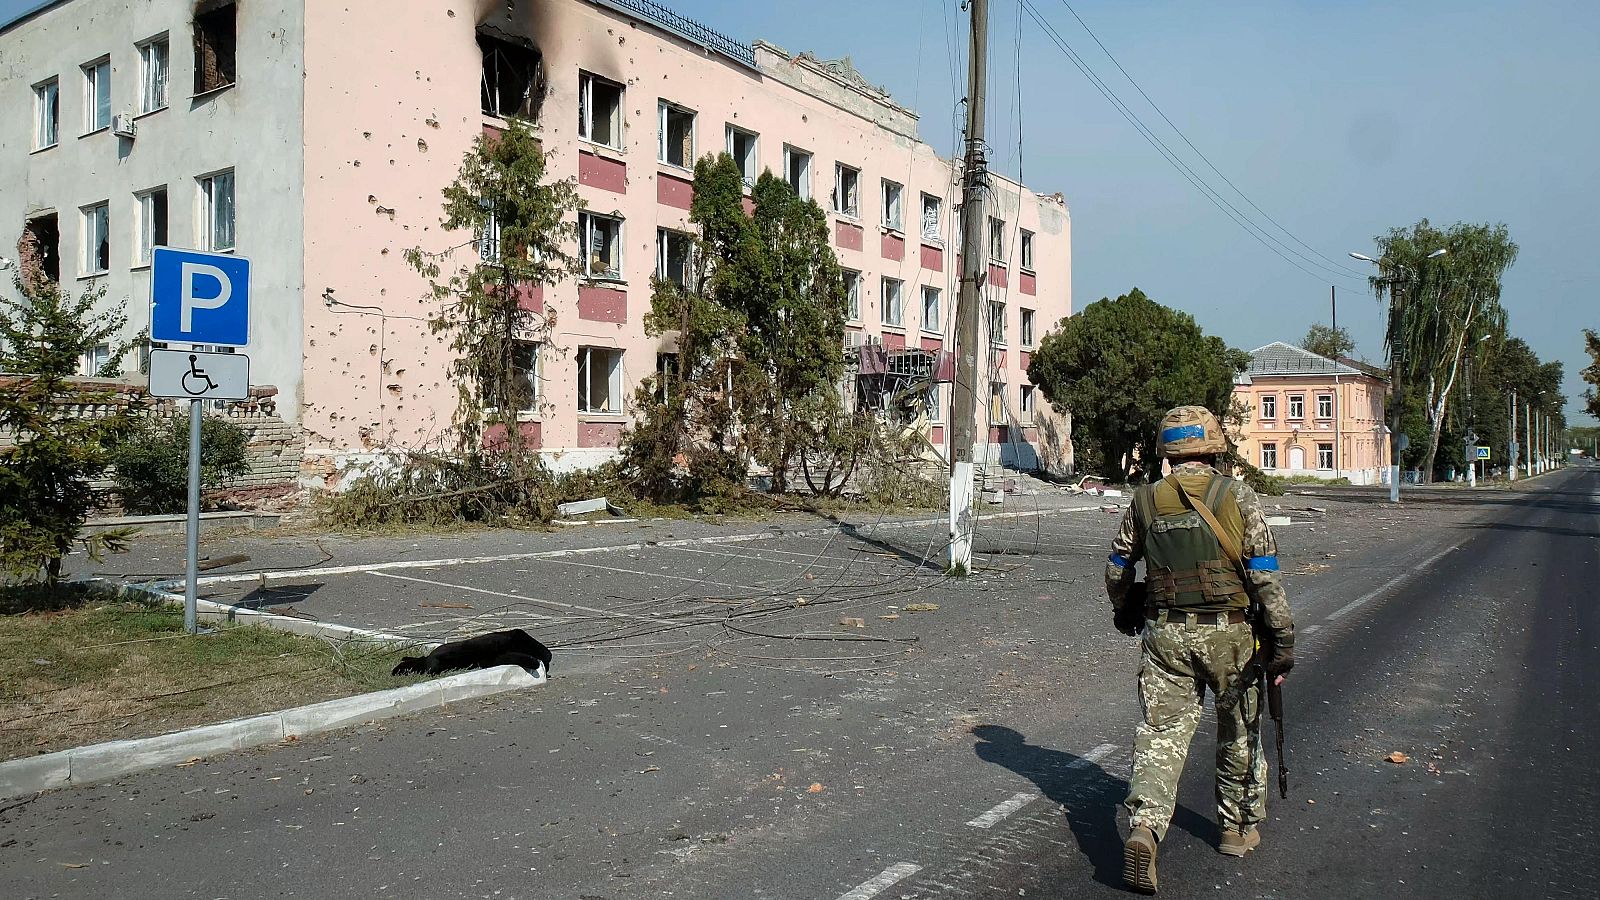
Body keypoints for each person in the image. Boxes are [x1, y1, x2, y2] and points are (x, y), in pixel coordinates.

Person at [1103, 406, 1295, 894]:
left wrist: (1125, 610)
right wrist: (1282, 639)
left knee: (1160, 734)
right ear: (1214, 449)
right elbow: (1265, 575)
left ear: (1167, 453)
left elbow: (1117, 568)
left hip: (1165, 635)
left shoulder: (1145, 500)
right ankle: (1235, 829)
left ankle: (1145, 827)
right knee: (1239, 730)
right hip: (1231, 636)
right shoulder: (1237, 495)